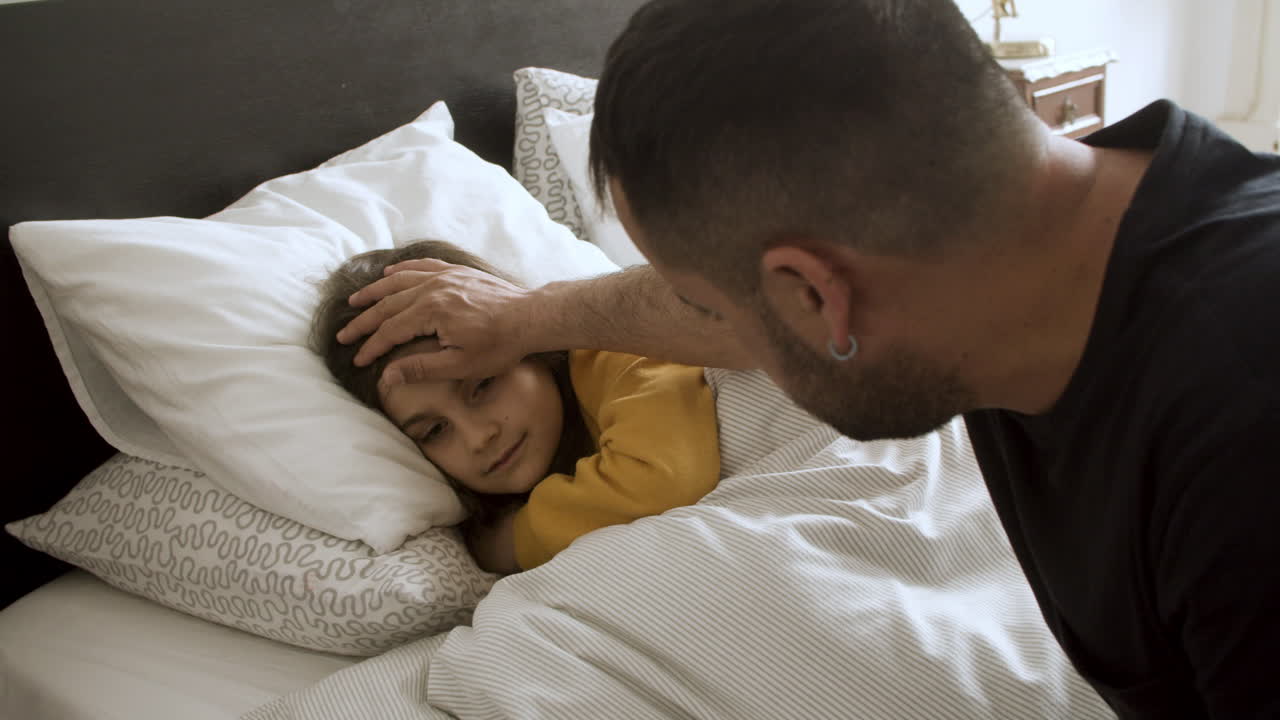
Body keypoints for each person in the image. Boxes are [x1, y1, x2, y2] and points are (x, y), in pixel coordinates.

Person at [334, 1, 1280, 717]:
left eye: (705, 307)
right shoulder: (1076, 248)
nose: (707, 336)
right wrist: (531, 317)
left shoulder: (1236, 451)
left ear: (816, 295)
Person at [313, 240, 721, 574]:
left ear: (527, 345)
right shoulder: (473, 514)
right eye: (434, 431)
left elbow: (663, 479)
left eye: (483, 385)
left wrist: (511, 544)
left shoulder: (611, 352)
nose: (478, 436)